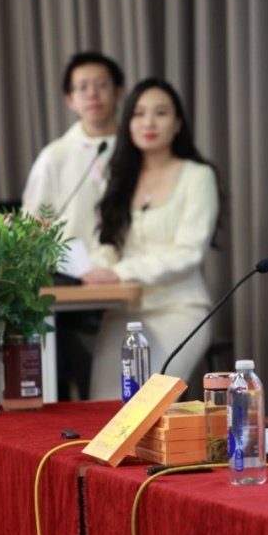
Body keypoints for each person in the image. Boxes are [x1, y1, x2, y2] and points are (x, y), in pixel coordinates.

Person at [83, 78, 220, 399]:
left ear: (177, 124)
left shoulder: (197, 176)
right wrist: (93, 270)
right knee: (103, 404)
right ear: (128, 122)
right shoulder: (118, 178)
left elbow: (188, 253)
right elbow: (107, 244)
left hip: (178, 308)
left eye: (160, 113)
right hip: (123, 312)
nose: (149, 122)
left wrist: (119, 272)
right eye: (139, 113)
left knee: (145, 403)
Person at [21, 51, 124, 399]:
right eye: (82, 87)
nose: (92, 94)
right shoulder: (55, 156)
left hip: (129, 280)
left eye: (101, 85)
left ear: (119, 91)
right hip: (74, 287)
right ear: (70, 99)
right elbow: (34, 225)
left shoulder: (139, 148)